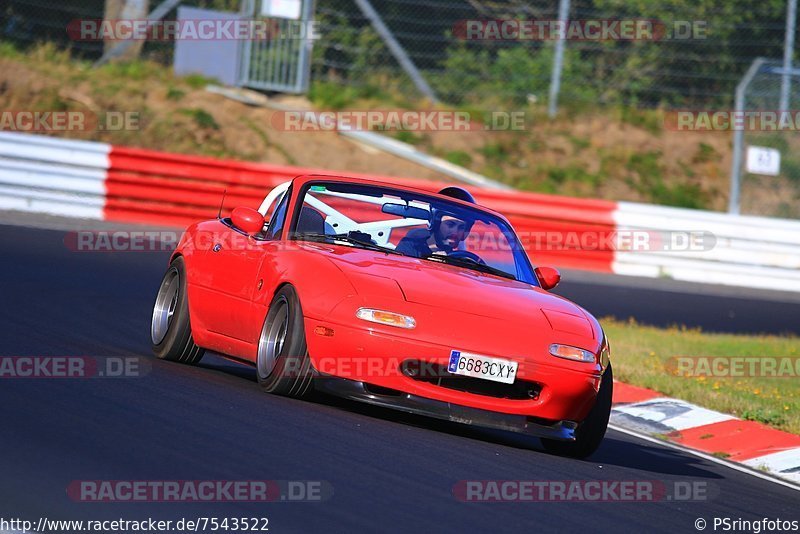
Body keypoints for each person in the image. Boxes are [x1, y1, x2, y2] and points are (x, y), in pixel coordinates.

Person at [395, 187, 476, 258]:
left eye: (461, 227)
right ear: (436, 223)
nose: (455, 232)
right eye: (450, 224)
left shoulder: (463, 261)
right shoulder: (411, 247)